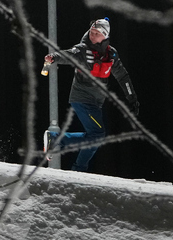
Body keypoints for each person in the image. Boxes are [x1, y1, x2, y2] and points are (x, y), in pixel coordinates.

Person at [42, 17, 138, 172]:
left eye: (97, 33)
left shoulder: (111, 54)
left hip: (96, 102)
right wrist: (54, 57)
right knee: (97, 135)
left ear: (105, 36)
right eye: (92, 32)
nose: (92, 35)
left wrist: (131, 98)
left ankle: (78, 169)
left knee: (94, 138)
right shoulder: (82, 50)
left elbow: (122, 76)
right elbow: (68, 55)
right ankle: (57, 140)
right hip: (82, 99)